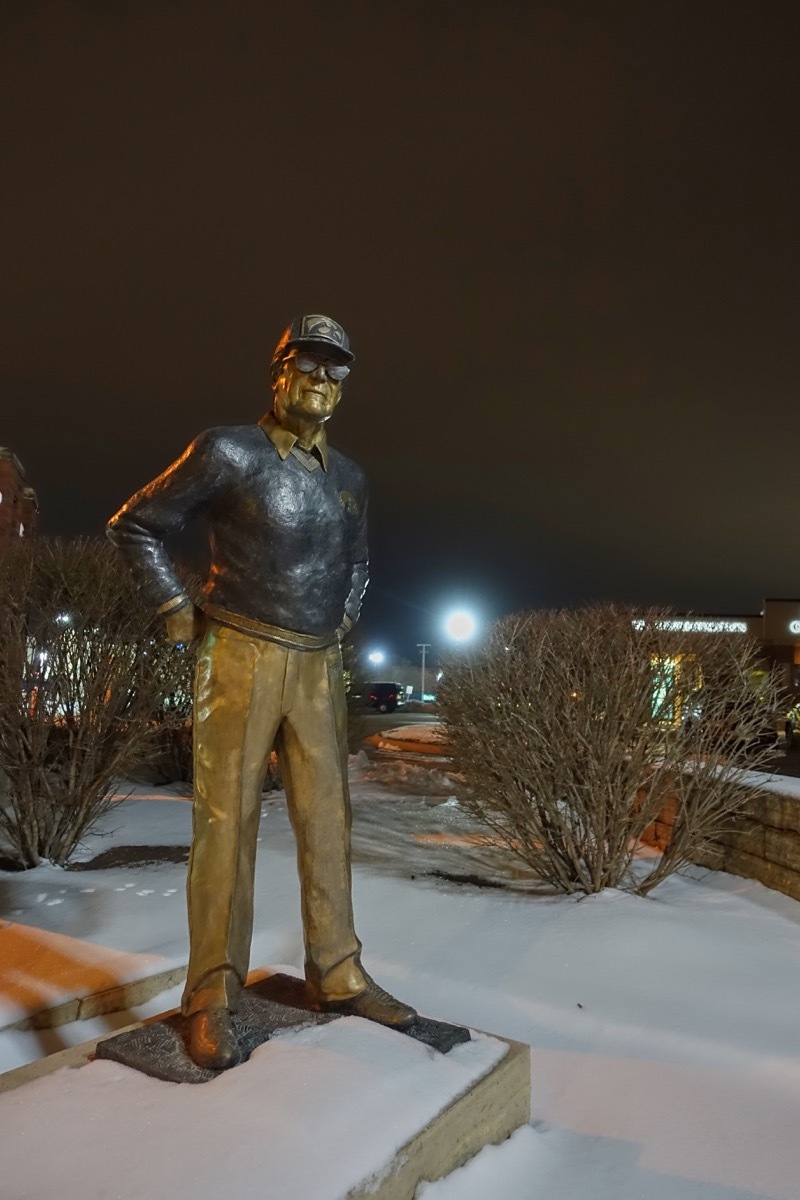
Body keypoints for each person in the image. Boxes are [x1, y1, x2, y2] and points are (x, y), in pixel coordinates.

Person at [108, 314, 416, 1070]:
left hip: (317, 664)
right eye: (307, 366)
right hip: (239, 650)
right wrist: (175, 607)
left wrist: (340, 623)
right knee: (226, 825)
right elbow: (136, 524)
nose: (320, 382)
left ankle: (338, 971)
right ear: (278, 372)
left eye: (335, 373)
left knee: (328, 821)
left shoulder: (350, 478)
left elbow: (360, 564)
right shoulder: (228, 451)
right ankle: (212, 995)